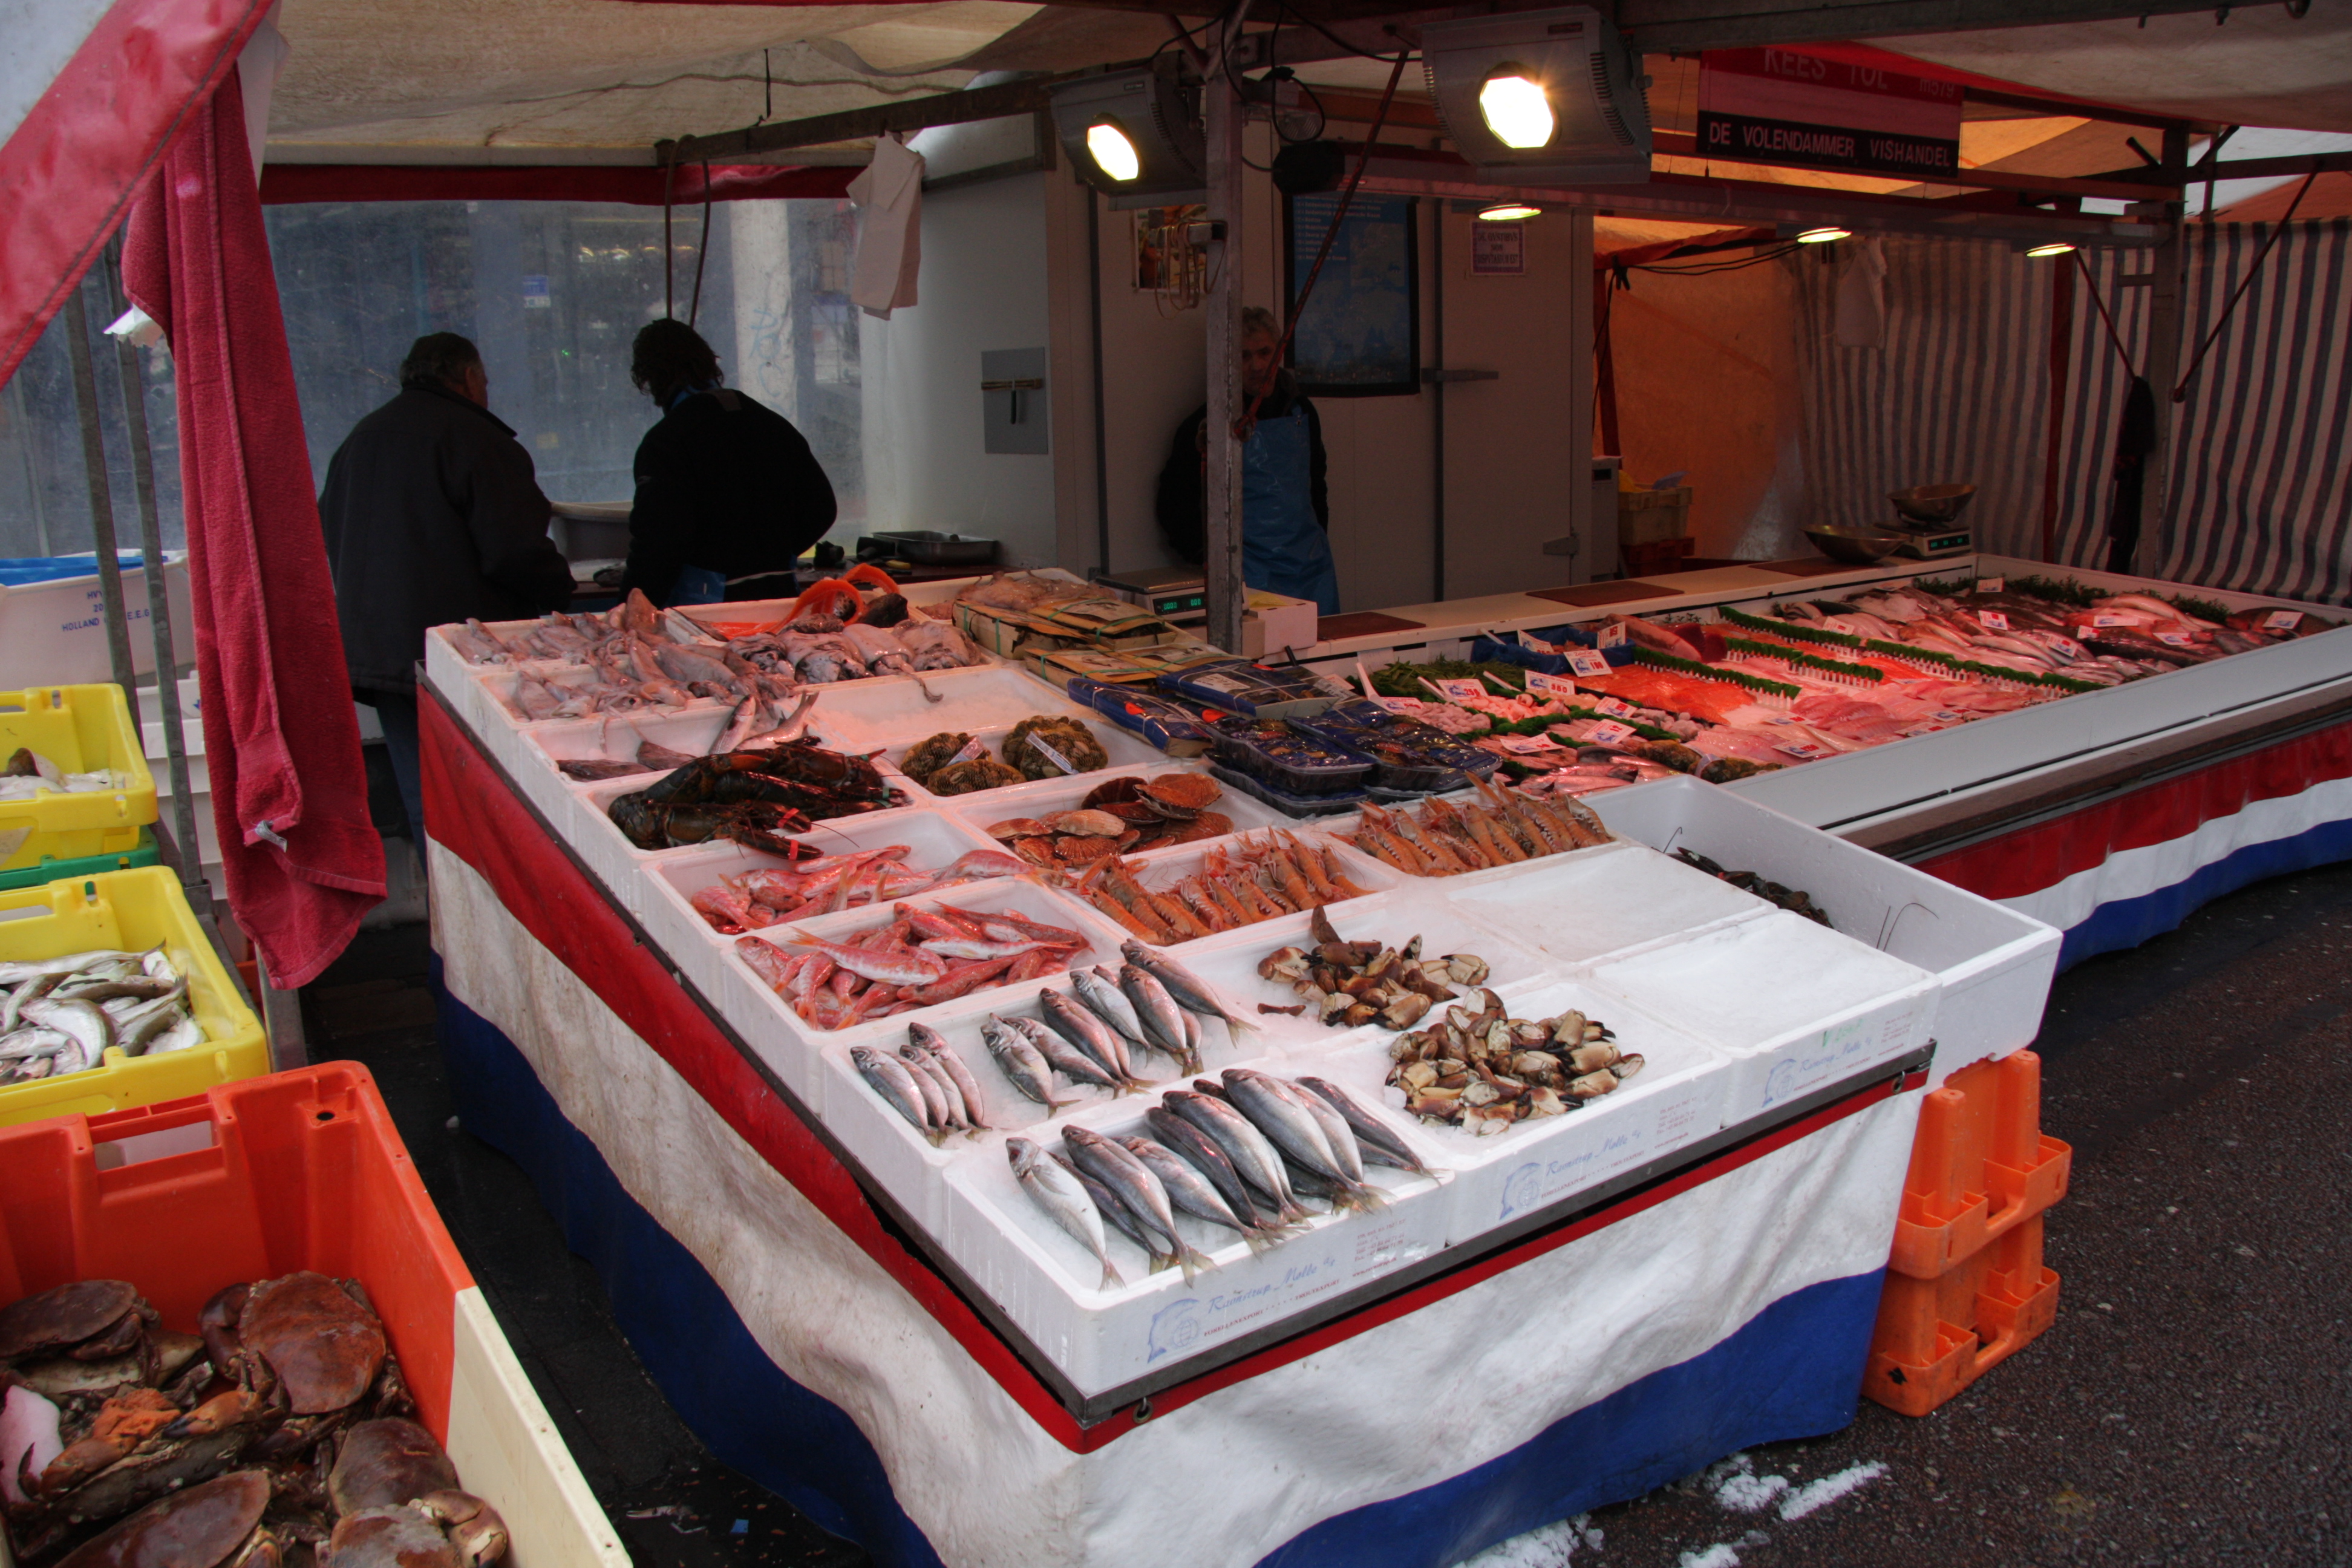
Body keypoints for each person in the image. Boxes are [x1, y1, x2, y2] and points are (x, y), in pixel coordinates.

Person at [319, 332, 572, 840]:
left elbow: (327, 526)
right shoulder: (476, 439)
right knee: (490, 798)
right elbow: (513, 549)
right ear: (470, 378)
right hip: (462, 653)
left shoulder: (361, 438)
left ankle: (440, 893)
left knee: (425, 798)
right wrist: (563, 596)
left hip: (379, 651)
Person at [618, 319, 838, 607]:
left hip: (705, 605)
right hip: (780, 593)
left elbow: (659, 540)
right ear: (710, 363)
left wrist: (629, 608)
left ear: (649, 378)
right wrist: (772, 555)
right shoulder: (772, 425)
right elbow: (822, 508)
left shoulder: (667, 441)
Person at [1154, 305, 1339, 615]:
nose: (1257, 366)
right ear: (1228, 362)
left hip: (1310, 571)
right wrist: (1207, 558)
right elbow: (1174, 501)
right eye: (1244, 356)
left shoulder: (1303, 412)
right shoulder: (1207, 425)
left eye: (1265, 353)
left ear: (1279, 352)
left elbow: (1316, 485)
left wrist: (1317, 540)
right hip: (1246, 575)